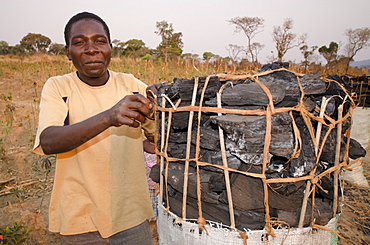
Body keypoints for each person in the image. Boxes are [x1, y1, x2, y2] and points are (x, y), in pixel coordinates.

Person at [33, 11, 156, 244]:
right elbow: (48, 141)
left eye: (100, 41)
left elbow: (158, 131)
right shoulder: (59, 87)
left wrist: (158, 126)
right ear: (68, 52)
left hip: (130, 215)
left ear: (110, 47)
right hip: (80, 218)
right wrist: (109, 117)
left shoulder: (131, 85)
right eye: (79, 42)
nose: (91, 49)